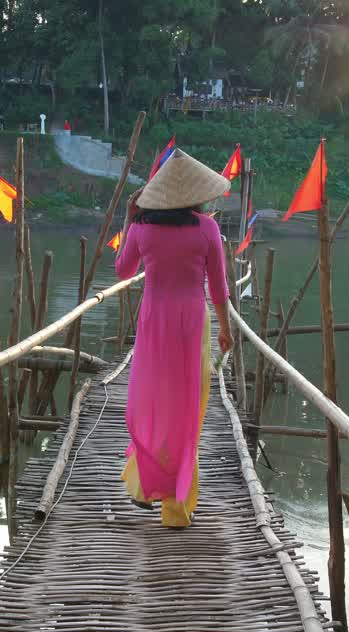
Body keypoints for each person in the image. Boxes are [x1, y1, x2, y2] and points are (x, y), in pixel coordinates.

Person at [114, 149, 233, 528]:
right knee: (187, 411)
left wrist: (129, 219)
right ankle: (176, 507)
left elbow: (122, 271)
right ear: (197, 194)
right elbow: (219, 289)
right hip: (192, 326)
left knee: (154, 401)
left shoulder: (141, 229)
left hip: (153, 325)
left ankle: (143, 485)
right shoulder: (208, 230)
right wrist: (226, 331)